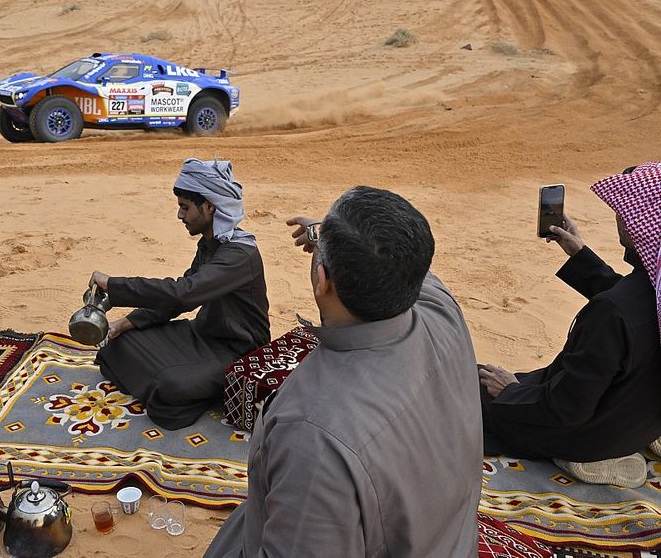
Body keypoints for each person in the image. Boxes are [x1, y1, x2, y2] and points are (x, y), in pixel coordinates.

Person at [205, 186, 482, 557]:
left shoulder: (313, 435)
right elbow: (395, 258)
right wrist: (332, 237)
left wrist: (327, 239)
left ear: (322, 280)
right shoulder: (439, 307)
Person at [479, 163, 661, 488]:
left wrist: (511, 391)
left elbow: (564, 409)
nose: (618, 214)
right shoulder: (649, 290)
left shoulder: (613, 312)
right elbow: (635, 311)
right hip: (635, 421)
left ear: (641, 224)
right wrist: (579, 254)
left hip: (588, 433)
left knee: (465, 394)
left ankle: (585, 456)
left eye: (625, 208)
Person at [88, 158, 271, 430]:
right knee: (117, 346)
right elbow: (178, 297)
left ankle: (204, 390)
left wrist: (114, 286)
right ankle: (183, 382)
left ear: (209, 206)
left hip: (238, 352)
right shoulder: (210, 244)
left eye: (185, 207)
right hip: (202, 333)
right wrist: (123, 324)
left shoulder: (239, 254)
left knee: (168, 388)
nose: (180, 216)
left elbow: (184, 294)